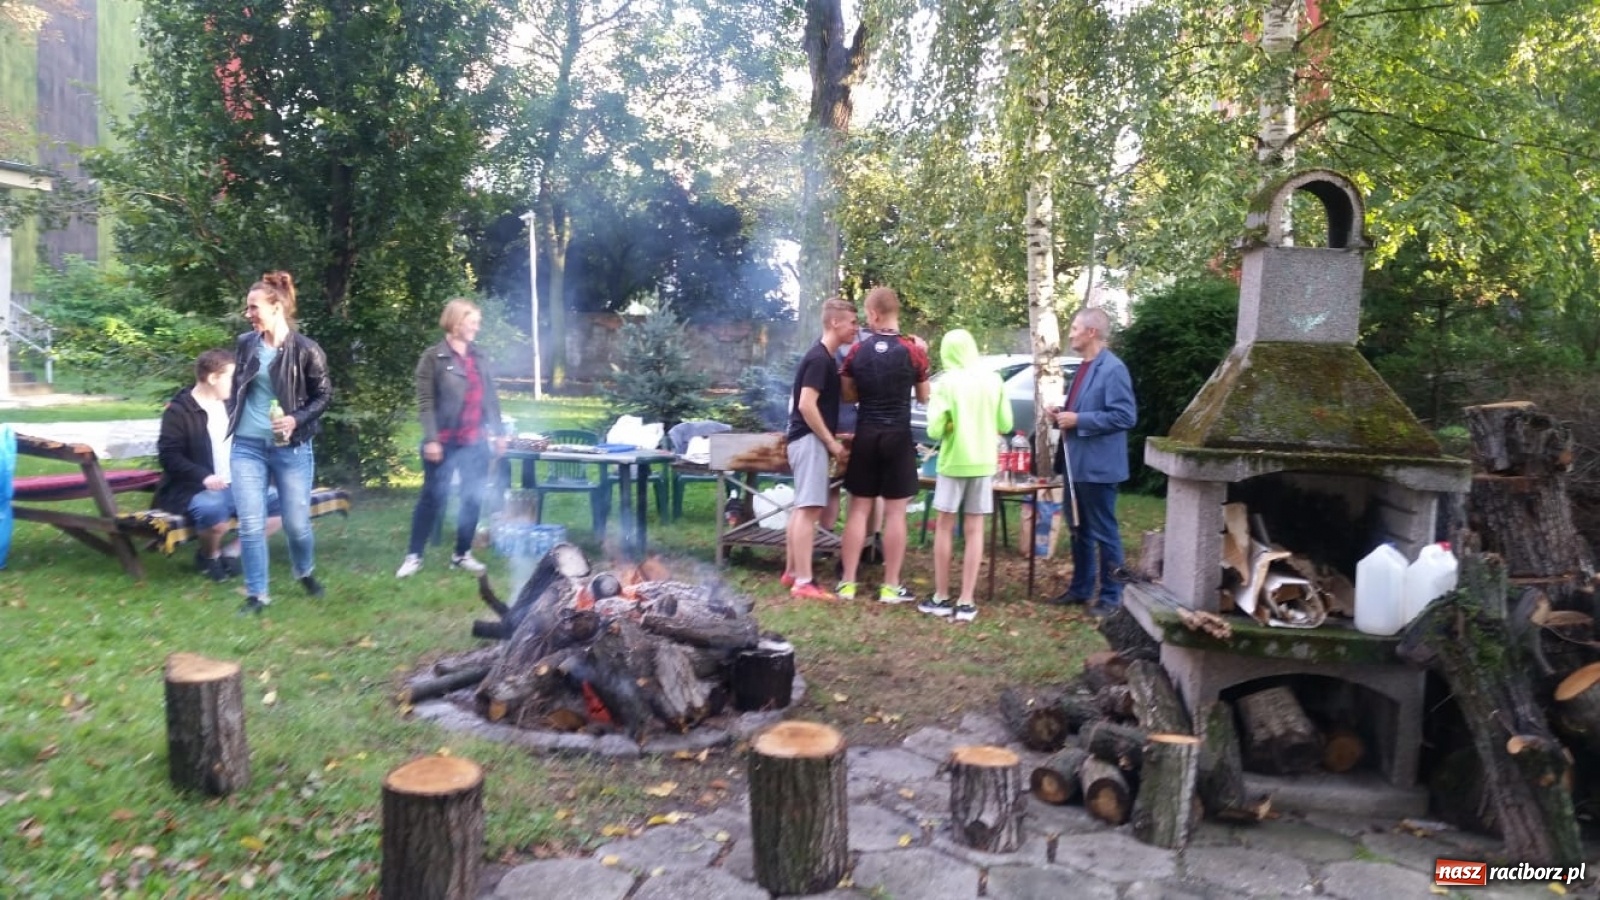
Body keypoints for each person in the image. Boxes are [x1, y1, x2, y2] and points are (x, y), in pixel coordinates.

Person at [229, 271, 333, 614]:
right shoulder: (246, 343)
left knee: (296, 525)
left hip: (291, 449)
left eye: (253, 307)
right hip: (246, 446)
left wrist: (294, 419)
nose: (248, 314)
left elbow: (323, 396)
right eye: (248, 308)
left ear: (276, 307)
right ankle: (257, 594)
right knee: (251, 523)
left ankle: (304, 571)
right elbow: (238, 388)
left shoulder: (306, 350)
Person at [397, 299, 507, 578]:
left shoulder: (479, 357)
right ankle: (414, 556)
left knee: (472, 498)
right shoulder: (433, 357)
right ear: (456, 322)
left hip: (475, 440)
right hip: (443, 441)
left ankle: (461, 554)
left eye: (477, 323)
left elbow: (491, 399)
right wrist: (432, 439)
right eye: (472, 322)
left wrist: (499, 433)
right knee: (432, 497)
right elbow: (425, 402)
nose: (476, 328)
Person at [836, 286, 931, 603]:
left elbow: (848, 395)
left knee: (858, 510)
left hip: (866, 434)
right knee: (895, 513)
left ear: (874, 314)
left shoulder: (857, 352)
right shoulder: (913, 351)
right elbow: (924, 396)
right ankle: (890, 586)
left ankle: (847, 583)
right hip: (898, 435)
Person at [153, 349, 282, 581]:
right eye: (232, 378)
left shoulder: (232, 405)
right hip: (194, 488)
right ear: (212, 378)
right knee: (214, 512)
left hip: (238, 484)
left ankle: (230, 553)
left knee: (286, 502)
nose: (237, 384)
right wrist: (203, 476)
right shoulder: (179, 411)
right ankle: (209, 556)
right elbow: (169, 455)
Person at [1049, 306, 1137, 616]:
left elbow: (1125, 416)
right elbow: (1078, 414)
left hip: (1098, 468)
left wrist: (1080, 419)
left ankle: (1113, 597)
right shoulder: (1083, 367)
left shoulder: (1113, 369)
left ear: (1092, 332)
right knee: (1079, 530)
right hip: (1076, 464)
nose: (1070, 333)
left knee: (1104, 532)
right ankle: (1081, 589)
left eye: (1074, 328)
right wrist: (1060, 417)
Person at [919, 329, 1012, 622]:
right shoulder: (993, 379)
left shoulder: (946, 383)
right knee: (975, 530)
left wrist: (947, 424)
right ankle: (967, 600)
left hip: (954, 461)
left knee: (944, 526)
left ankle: (941, 596)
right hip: (984, 462)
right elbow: (1006, 423)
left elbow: (934, 430)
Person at [782, 297, 857, 601]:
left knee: (804, 508)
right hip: (809, 440)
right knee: (809, 510)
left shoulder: (825, 358)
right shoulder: (819, 359)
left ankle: (791, 572)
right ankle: (804, 581)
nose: (857, 327)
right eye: (853, 322)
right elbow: (805, 404)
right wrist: (830, 442)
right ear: (834, 322)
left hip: (805, 440)